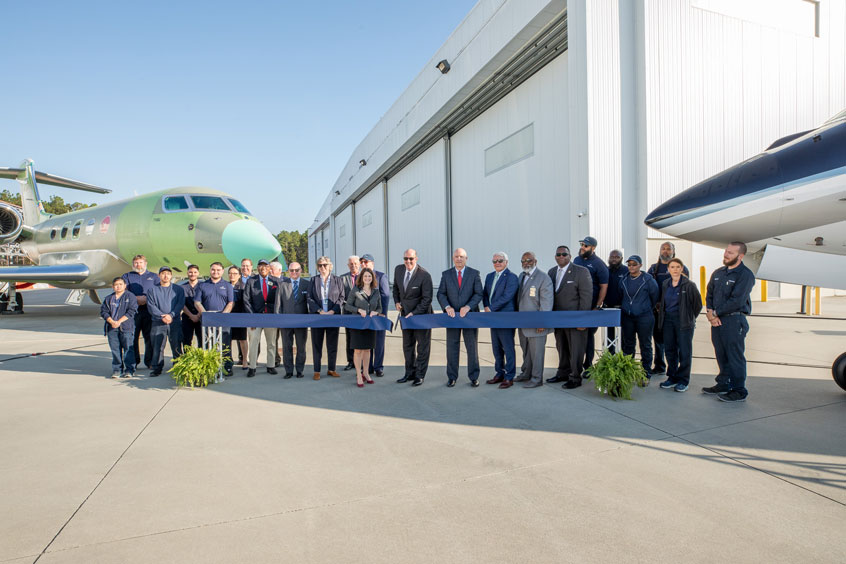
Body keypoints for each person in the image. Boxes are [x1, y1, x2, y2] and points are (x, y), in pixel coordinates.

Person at [704, 242, 756, 402]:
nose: (726, 255)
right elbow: (709, 293)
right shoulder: (719, 273)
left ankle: (739, 389)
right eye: (726, 251)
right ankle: (723, 384)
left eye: (730, 253)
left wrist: (716, 313)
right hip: (717, 321)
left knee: (734, 355)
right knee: (721, 353)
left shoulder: (745, 275)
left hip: (734, 320)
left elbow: (737, 300)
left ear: (740, 256)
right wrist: (710, 313)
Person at [547, 245, 593, 389]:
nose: (561, 256)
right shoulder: (552, 272)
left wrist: (582, 319)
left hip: (575, 319)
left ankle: (575, 377)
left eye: (564, 254)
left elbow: (586, 297)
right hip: (558, 319)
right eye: (558, 254)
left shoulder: (581, 272)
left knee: (576, 349)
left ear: (570, 256)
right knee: (561, 347)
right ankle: (563, 372)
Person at [437, 248, 483, 388]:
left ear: (466, 258)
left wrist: (468, 306)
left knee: (471, 347)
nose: (459, 259)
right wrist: (447, 307)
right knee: (452, 347)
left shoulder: (474, 274)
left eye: (461, 256)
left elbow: (478, 293)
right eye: (456, 256)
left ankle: (474, 377)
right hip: (452, 317)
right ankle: (452, 377)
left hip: (469, 316)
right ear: (453, 258)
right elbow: (441, 294)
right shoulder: (446, 275)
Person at [656, 258, 702, 392]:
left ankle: (683, 380)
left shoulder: (689, 285)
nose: (675, 270)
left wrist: (688, 317)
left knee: (684, 351)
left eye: (677, 267)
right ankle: (672, 377)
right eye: (672, 267)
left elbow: (697, 305)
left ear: (682, 269)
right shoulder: (665, 284)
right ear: (668, 269)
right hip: (668, 320)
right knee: (670, 350)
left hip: (683, 322)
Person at [392, 248, 433, 387]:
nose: (408, 261)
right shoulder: (398, 270)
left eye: (411, 259)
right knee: (407, 346)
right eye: (405, 259)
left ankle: (420, 375)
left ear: (416, 258)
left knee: (422, 347)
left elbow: (427, 299)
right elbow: (396, 289)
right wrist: (397, 302)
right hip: (405, 316)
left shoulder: (424, 275)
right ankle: (409, 373)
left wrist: (414, 313)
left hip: (421, 316)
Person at [648, 242, 689, 376]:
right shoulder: (654, 269)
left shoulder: (682, 269)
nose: (665, 251)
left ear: (673, 252)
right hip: (656, 311)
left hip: (674, 312)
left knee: (674, 342)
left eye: (668, 249)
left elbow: (686, 291)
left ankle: (675, 370)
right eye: (663, 249)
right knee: (658, 339)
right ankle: (659, 366)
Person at [513, 252, 553, 389]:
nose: (526, 263)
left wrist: (542, 322)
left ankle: (537, 379)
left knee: (537, 354)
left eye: (529, 260)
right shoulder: (521, 276)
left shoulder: (543, 278)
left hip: (537, 324)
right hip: (523, 323)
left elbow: (546, 303)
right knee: (526, 352)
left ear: (535, 261)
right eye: (523, 261)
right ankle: (526, 373)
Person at [483, 252, 519, 388]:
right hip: (493, 318)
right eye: (494, 261)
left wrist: (491, 308)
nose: (497, 263)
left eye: (500, 260)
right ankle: (499, 373)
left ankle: (509, 377)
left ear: (506, 262)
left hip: (505, 318)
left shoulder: (512, 277)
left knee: (508, 348)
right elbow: (485, 294)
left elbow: (507, 296)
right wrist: (486, 306)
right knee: (496, 348)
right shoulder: (489, 276)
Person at [619, 255, 659, 379]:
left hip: (644, 317)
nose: (631, 267)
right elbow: (622, 295)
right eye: (629, 264)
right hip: (628, 317)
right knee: (628, 344)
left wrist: (643, 308)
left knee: (645, 344)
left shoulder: (647, 279)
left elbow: (655, 296)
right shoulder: (624, 280)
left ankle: (645, 371)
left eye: (634, 264)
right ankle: (628, 370)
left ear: (640, 265)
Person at [573, 236, 609, 371]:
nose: (582, 247)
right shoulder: (576, 260)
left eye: (586, 246)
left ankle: (588, 366)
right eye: (582, 244)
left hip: (591, 306)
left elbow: (603, 286)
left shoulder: (599, 264)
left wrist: (597, 306)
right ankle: (574, 367)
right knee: (576, 336)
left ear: (593, 248)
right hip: (576, 306)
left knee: (588, 336)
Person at [194, 262, 235, 376]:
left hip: (223, 320)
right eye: (213, 270)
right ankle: (208, 367)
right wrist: (206, 315)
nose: (215, 272)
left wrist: (222, 316)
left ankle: (227, 367)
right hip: (207, 320)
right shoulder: (202, 285)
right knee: (207, 344)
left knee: (225, 344)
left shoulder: (227, 285)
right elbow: (197, 302)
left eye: (218, 270)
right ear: (210, 270)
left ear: (222, 271)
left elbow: (231, 303)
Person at [343, 268, 382, 387]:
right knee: (358, 350)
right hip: (358, 325)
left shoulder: (376, 292)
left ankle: (366, 372)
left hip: (370, 325)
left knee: (367, 349)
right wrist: (358, 310)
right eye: (365, 276)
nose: (367, 278)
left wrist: (376, 312)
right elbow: (347, 306)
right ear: (361, 278)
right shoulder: (355, 290)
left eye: (369, 276)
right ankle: (359, 375)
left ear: (372, 278)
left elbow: (380, 308)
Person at [307, 256, 344, 380]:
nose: (322, 268)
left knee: (332, 344)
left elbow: (341, 298)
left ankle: (331, 369)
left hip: (333, 317)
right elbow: (309, 298)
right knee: (317, 344)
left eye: (325, 265)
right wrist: (319, 310)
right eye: (320, 265)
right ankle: (317, 370)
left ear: (330, 266)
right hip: (318, 317)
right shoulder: (313, 280)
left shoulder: (338, 280)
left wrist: (333, 310)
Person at [146, 266, 185, 377]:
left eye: (168, 273)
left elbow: (180, 304)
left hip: (174, 321)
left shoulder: (178, 289)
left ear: (171, 275)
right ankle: (157, 368)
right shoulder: (152, 290)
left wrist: (171, 315)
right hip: (158, 322)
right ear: (159, 276)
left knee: (176, 345)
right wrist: (161, 316)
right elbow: (151, 305)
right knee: (157, 346)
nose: (166, 276)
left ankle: (178, 366)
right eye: (163, 273)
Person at [122, 254, 158, 371]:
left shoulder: (154, 277)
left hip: (149, 311)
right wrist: (136, 299)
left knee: (149, 337)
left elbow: (158, 292)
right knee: (133, 337)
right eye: (136, 263)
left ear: (145, 263)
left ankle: (150, 361)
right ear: (133, 265)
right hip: (133, 312)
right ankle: (134, 362)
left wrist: (146, 299)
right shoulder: (127, 276)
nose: (138, 265)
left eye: (140, 263)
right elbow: (124, 291)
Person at [243, 259, 280, 377]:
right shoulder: (251, 281)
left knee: (271, 343)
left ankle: (271, 365)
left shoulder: (276, 281)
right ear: (257, 268)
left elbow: (279, 299)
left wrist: (275, 314)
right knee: (253, 342)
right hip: (255, 317)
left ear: (269, 268)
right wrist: (252, 317)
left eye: (265, 266)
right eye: (260, 266)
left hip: (270, 317)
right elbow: (246, 300)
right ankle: (252, 367)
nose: (263, 268)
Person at [276, 261, 310, 378]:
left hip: (301, 322)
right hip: (286, 322)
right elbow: (278, 305)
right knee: (287, 347)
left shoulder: (307, 284)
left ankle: (300, 370)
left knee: (301, 347)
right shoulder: (282, 284)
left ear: (301, 270)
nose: (294, 272)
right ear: (288, 272)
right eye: (292, 270)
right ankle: (289, 371)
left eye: (297, 270)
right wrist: (279, 321)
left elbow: (309, 303)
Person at [100, 277, 138, 378]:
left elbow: (132, 311)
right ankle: (117, 370)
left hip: (126, 327)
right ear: (113, 287)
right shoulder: (108, 298)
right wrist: (112, 322)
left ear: (125, 286)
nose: (118, 286)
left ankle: (130, 370)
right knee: (115, 349)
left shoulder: (130, 296)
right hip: (112, 328)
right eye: (116, 285)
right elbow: (103, 312)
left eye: (121, 284)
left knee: (128, 349)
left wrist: (119, 321)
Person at [359, 254, 390, 377]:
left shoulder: (381, 276)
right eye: (362, 262)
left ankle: (378, 367)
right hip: (365, 317)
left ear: (372, 263)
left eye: (366, 262)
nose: (363, 264)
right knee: (367, 342)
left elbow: (385, 296)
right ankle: (368, 367)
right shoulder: (361, 278)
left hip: (378, 316)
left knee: (378, 342)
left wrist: (381, 314)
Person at [339, 255, 360, 371]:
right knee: (350, 338)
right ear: (348, 265)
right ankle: (351, 361)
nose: (354, 266)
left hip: (362, 313)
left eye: (356, 263)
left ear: (359, 264)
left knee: (361, 336)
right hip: (348, 312)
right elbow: (341, 296)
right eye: (351, 264)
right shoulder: (342, 278)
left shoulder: (365, 277)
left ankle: (361, 362)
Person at [604, 250, 626, 354]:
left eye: (617, 257)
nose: (614, 259)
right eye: (612, 256)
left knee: (623, 336)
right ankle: (609, 359)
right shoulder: (605, 271)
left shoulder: (626, 271)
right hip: (608, 309)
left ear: (621, 259)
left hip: (622, 310)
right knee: (609, 335)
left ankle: (623, 360)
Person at [228, 265, 249, 370]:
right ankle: (228, 360)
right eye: (230, 273)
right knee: (228, 339)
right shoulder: (225, 285)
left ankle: (245, 361)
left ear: (239, 275)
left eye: (235, 273)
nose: (232, 275)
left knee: (242, 339)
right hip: (227, 317)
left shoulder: (243, 286)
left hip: (240, 315)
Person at [180, 264, 203, 347]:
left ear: (198, 273)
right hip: (187, 317)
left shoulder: (203, 286)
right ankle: (188, 358)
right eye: (190, 272)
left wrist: (198, 314)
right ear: (187, 273)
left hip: (201, 317)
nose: (192, 274)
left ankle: (201, 359)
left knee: (202, 340)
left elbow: (205, 302)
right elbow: (181, 303)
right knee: (186, 340)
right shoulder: (182, 287)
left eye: (195, 272)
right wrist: (191, 315)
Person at [269, 261, 285, 366]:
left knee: (286, 338)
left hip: (285, 315)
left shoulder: (286, 281)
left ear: (279, 270)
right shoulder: (268, 281)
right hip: (272, 314)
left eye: (272, 269)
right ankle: (275, 359)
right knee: (273, 339)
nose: (269, 271)